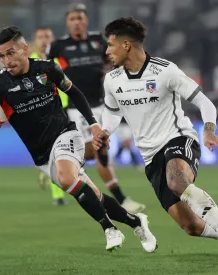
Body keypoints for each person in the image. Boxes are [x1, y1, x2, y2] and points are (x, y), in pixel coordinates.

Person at [93, 17, 218, 260]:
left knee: (178, 183)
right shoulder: (112, 80)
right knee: (192, 227)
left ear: (126, 44)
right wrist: (106, 131)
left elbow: (204, 102)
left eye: (110, 45)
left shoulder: (165, 70)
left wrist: (209, 130)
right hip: (150, 157)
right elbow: (113, 114)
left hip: (178, 139)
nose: (106, 51)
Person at [0, 26, 157, 252]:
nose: (7, 60)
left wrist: (92, 124)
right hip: (41, 155)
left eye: (11, 53)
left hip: (65, 134)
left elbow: (74, 92)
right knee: (93, 195)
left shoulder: (47, 69)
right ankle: (136, 222)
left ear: (25, 49)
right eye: (2, 56)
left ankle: (109, 229)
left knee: (65, 178)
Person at [47, 3, 145, 213]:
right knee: (97, 150)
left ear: (86, 20)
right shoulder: (59, 46)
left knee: (100, 151)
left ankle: (60, 161)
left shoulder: (97, 41)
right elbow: (47, 73)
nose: (77, 22)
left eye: (80, 18)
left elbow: (113, 60)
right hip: (77, 107)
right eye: (72, 19)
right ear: (67, 22)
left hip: (102, 103)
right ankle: (119, 198)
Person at [30, 26, 69, 206]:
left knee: (69, 153)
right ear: (35, 40)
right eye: (40, 37)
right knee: (57, 153)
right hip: (45, 112)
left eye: (47, 36)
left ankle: (47, 171)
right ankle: (58, 197)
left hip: (67, 110)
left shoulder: (61, 60)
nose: (44, 40)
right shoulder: (30, 62)